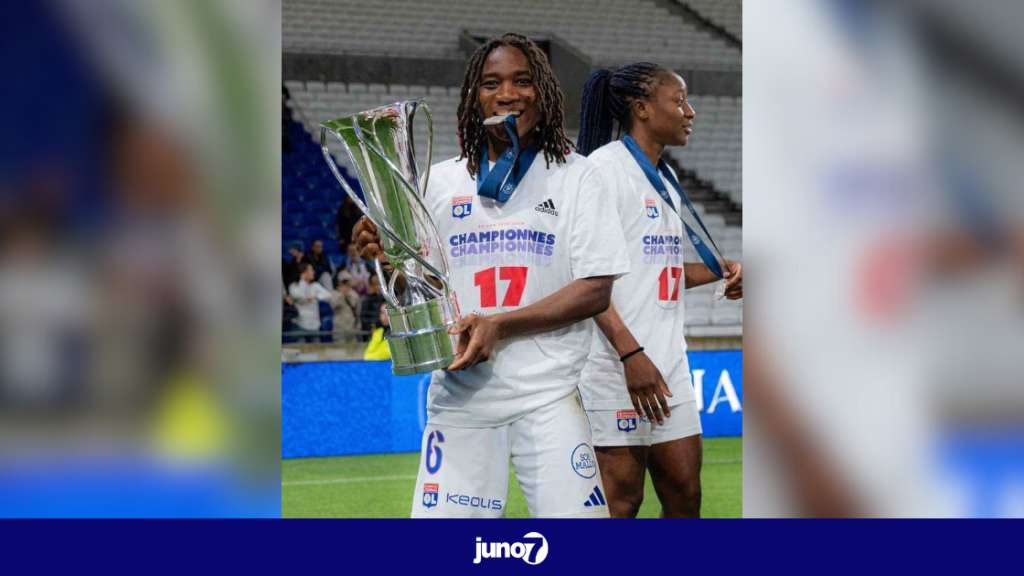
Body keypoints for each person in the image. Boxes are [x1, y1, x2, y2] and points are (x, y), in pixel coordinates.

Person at [354, 33, 629, 518]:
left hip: (548, 398)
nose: (507, 94)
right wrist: (389, 260)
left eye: (523, 81)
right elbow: (416, 289)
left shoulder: (579, 175)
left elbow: (594, 291)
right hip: (460, 400)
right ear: (472, 96)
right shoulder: (436, 182)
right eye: (491, 83)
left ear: (544, 92)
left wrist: (499, 324)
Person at [575, 62, 743, 518]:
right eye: (680, 100)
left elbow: (656, 269)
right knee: (621, 503)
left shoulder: (665, 178)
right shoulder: (602, 170)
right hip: (616, 367)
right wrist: (631, 355)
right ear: (643, 108)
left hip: (670, 363)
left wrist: (723, 269)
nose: (690, 111)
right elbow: (584, 277)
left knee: (686, 494)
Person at [287, 262, 333, 342]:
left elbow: (328, 295)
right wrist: (302, 281)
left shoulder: (315, 285)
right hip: (299, 325)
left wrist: (316, 296)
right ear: (303, 272)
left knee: (316, 348)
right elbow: (299, 295)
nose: (313, 272)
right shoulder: (294, 286)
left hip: (314, 325)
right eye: (311, 270)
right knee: (299, 348)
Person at [330, 270, 362, 342]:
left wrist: (358, 326)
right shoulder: (334, 293)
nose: (346, 284)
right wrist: (342, 295)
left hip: (352, 328)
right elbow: (333, 305)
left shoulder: (354, 294)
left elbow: (357, 312)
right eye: (344, 282)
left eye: (347, 282)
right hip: (339, 329)